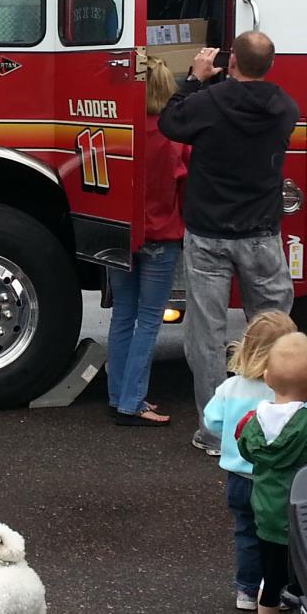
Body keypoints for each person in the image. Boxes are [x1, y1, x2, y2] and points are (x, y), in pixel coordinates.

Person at [158, 31, 300, 454]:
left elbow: (170, 121)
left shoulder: (208, 101)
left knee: (206, 334)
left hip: (208, 236)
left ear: (231, 59)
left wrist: (196, 78)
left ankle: (215, 433)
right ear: (270, 65)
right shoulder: (284, 107)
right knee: (273, 328)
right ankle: (278, 422)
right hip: (261, 235)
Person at [105, 57, 188, 425]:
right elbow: (184, 184)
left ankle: (117, 395)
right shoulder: (173, 136)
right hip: (162, 233)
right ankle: (133, 402)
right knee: (150, 319)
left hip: (121, 232)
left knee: (123, 315)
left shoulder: (122, 129)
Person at [233, 333, 307, 614]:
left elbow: (244, 447)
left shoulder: (251, 424)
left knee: (270, 578)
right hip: (302, 519)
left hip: (265, 516)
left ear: (268, 378)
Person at [205, 311, 300, 609]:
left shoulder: (230, 387)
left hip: (237, 478)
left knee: (246, 533)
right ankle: (274, 589)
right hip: (274, 479)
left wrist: (233, 439)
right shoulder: (286, 391)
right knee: (277, 536)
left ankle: (246, 590)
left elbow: (211, 421)